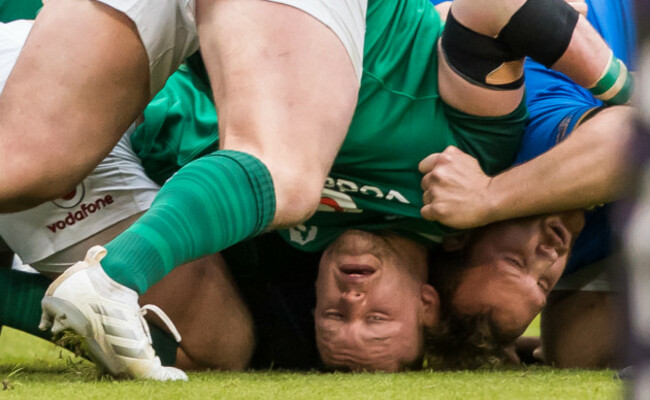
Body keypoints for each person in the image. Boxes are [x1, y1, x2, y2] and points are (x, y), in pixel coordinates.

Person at [2, 0, 627, 380]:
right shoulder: (469, 162)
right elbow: (490, 11)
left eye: (335, 314)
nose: (352, 298)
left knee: (29, 168)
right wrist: (624, 88)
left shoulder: (295, 246)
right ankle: (115, 278)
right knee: (282, 171)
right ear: (427, 302)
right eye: (377, 315)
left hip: (177, 41)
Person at [426, 0, 635, 368]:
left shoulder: (509, 149)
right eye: (541, 285)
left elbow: (633, 141)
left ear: (461, 232)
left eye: (514, 261)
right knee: (579, 354)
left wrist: (488, 197)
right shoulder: (570, 248)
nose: (550, 258)